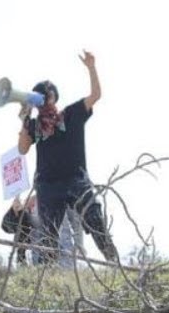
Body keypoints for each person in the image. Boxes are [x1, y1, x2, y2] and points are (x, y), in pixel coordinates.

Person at [17, 52, 117, 265]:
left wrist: (91, 66)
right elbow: (23, 148)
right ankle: (46, 279)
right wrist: (24, 119)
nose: (43, 100)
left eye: (46, 95)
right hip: (48, 185)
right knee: (48, 236)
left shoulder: (72, 114)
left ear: (53, 97)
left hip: (76, 180)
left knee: (94, 221)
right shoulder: (35, 126)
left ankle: (115, 263)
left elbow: (96, 95)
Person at [1, 194, 38, 265]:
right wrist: (13, 211)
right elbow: (6, 226)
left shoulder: (34, 215)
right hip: (24, 260)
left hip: (42, 256)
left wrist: (24, 213)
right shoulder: (22, 216)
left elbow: (37, 223)